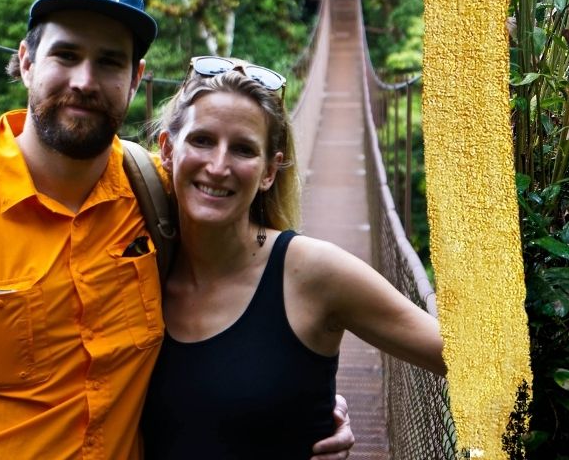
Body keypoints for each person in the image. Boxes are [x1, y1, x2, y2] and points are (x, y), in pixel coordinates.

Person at [0, 0, 354, 459]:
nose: (85, 81)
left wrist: (298, 398)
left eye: (109, 62)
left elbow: (249, 297)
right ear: (26, 62)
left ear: (135, 79)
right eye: (66, 55)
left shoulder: (161, 196)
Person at [140, 61, 447, 458]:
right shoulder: (134, 262)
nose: (218, 166)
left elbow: (467, 359)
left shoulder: (310, 272)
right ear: (166, 150)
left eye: (243, 149)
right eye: (201, 140)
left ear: (269, 171)